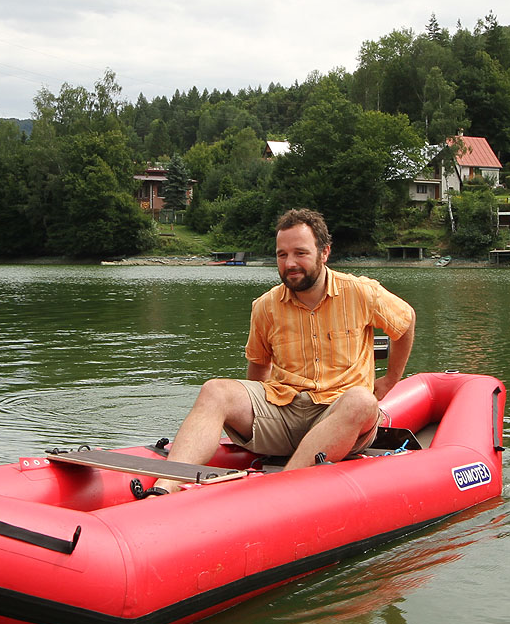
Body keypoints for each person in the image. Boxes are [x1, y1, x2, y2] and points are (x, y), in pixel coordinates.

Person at [162, 208, 415, 488]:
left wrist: (391, 379)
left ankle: (285, 484)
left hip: (339, 415)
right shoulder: (265, 306)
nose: (290, 263)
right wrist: (254, 412)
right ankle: (166, 485)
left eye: (300, 253)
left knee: (362, 400)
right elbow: (258, 368)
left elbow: (404, 323)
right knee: (215, 390)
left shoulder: (361, 293)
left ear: (324, 253)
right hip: (284, 412)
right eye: (282, 255)